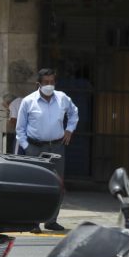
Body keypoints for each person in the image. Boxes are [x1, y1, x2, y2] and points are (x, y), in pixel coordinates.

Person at [15, 68, 79, 233]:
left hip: (57, 147)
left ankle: (51, 220)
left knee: (57, 185)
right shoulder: (28, 101)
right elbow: (20, 129)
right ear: (39, 84)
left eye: (52, 82)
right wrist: (27, 147)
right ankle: (34, 221)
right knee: (35, 185)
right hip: (35, 148)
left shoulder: (62, 98)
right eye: (46, 82)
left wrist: (70, 129)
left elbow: (74, 113)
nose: (49, 85)